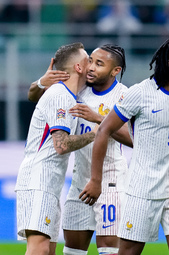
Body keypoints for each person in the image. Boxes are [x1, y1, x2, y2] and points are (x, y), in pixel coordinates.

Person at [80, 37, 169, 255]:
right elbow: (104, 130)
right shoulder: (140, 93)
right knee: (128, 251)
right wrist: (96, 180)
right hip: (142, 188)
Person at [28, 44, 133, 255]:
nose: (91, 67)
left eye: (99, 64)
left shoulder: (124, 95)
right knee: (72, 250)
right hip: (79, 183)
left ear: (116, 71)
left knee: (109, 249)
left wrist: (100, 119)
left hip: (110, 181)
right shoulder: (79, 88)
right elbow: (36, 97)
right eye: (91, 61)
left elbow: (134, 139)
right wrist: (41, 82)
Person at [15, 42, 95, 255]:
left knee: (47, 251)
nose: (93, 65)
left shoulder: (66, 94)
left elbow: (34, 95)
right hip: (38, 181)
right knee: (39, 250)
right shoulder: (60, 95)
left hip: (48, 183)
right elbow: (61, 145)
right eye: (89, 60)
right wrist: (97, 133)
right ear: (78, 67)